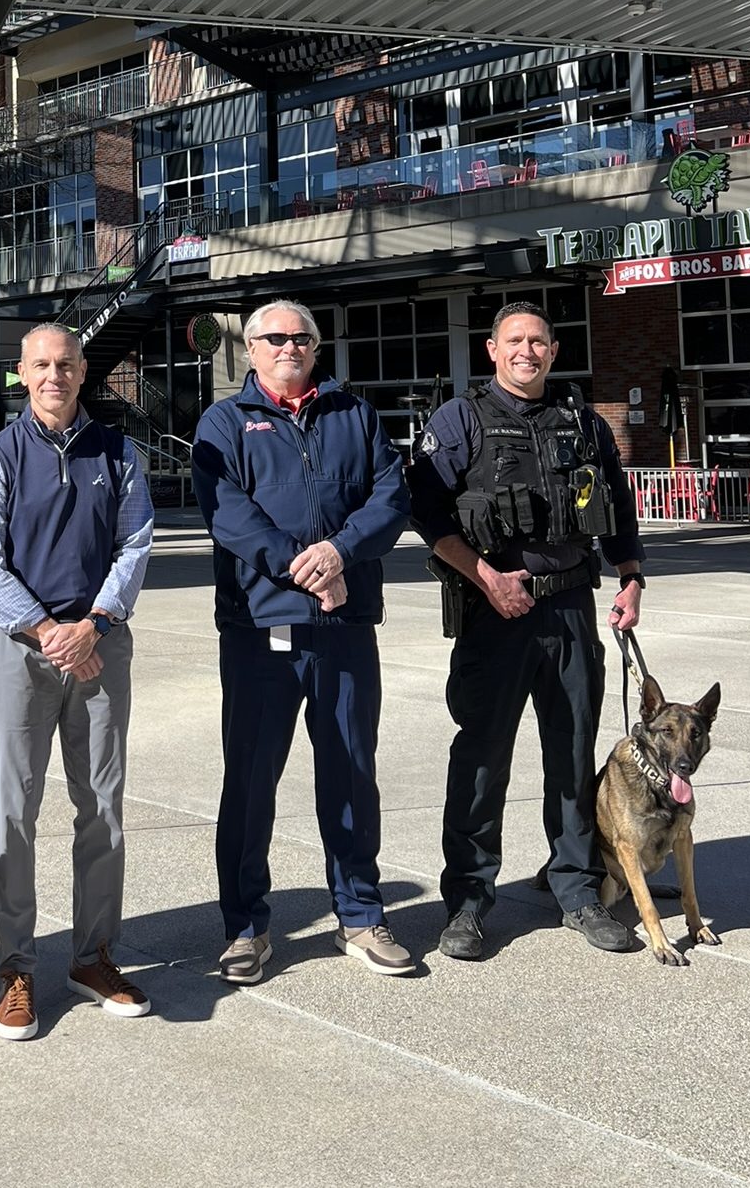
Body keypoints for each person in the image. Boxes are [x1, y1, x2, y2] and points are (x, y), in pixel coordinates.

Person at [407, 301, 644, 962]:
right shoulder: (461, 420)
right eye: (515, 340)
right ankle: (469, 902)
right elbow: (425, 511)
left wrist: (630, 577)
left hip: (570, 608)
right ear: (491, 349)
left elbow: (617, 504)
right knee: (483, 760)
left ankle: (577, 889)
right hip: (496, 611)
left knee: (571, 756)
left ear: (554, 350)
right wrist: (486, 575)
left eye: (538, 340)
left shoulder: (583, 421)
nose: (527, 350)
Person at [191, 301, 413, 986]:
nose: (290, 345)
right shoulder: (225, 423)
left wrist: (339, 554)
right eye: (276, 337)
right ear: (251, 348)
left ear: (316, 348)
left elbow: (390, 497)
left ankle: (359, 912)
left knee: (349, 774)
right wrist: (304, 567)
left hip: (344, 628)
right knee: (252, 779)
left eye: (302, 337)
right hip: (262, 632)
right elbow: (229, 514)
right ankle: (247, 927)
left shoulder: (354, 415)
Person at [0, 324, 155, 1041]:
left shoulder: (118, 452)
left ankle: (93, 955)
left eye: (66, 363)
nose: (54, 375)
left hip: (100, 646)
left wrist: (93, 627)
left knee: (101, 805)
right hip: (23, 650)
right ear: (20, 373)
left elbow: (135, 543)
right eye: (41, 364)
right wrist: (49, 632)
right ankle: (16, 966)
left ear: (81, 371)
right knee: (12, 810)